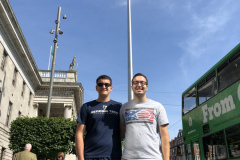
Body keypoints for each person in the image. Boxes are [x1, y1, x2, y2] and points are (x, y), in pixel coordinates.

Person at [120, 73, 170, 160]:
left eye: (142, 83)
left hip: (153, 157)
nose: (139, 85)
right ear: (132, 87)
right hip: (128, 158)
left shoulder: (158, 106)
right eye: (136, 83)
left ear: (147, 87)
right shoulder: (124, 108)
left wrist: (166, 159)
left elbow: (164, 135)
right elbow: (122, 134)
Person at [75, 75, 122, 160]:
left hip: (114, 155)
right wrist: (81, 158)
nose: (103, 87)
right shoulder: (87, 107)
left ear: (111, 88)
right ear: (96, 87)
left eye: (107, 84)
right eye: (100, 84)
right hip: (91, 155)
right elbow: (79, 133)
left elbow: (124, 131)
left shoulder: (119, 107)